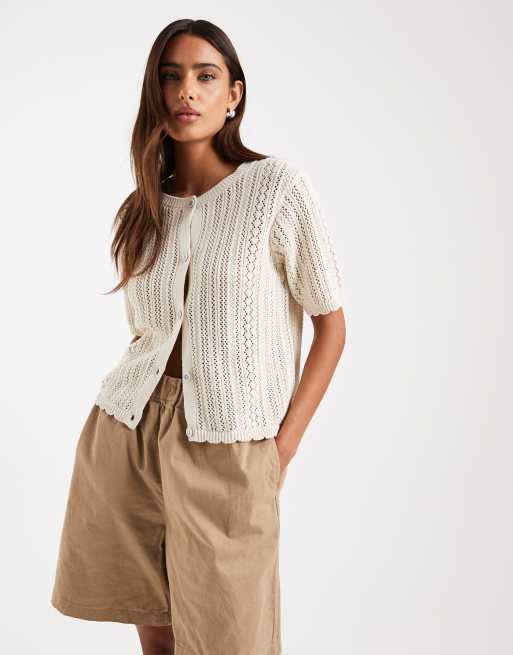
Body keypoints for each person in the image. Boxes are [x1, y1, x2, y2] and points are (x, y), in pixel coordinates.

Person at [50, 17, 346, 655]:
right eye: (170, 77)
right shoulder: (141, 209)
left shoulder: (275, 188)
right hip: (128, 429)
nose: (186, 90)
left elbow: (331, 324)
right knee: (157, 634)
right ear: (154, 92)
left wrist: (283, 447)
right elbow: (146, 335)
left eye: (205, 76)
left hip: (231, 438)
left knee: (232, 638)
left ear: (233, 94)